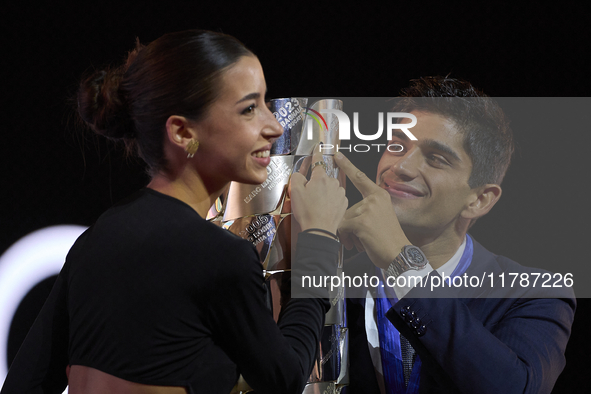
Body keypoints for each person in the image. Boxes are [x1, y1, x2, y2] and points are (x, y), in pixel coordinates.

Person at [1, 30, 347, 394]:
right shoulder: (219, 257)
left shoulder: (94, 241)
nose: (274, 127)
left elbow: (26, 384)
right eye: (249, 109)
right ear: (182, 132)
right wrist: (317, 245)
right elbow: (285, 378)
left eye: (264, 103)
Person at [334, 77, 576, 393]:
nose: (402, 167)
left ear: (479, 199)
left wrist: (402, 262)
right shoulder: (336, 279)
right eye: (396, 146)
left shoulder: (533, 293)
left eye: (436, 158)